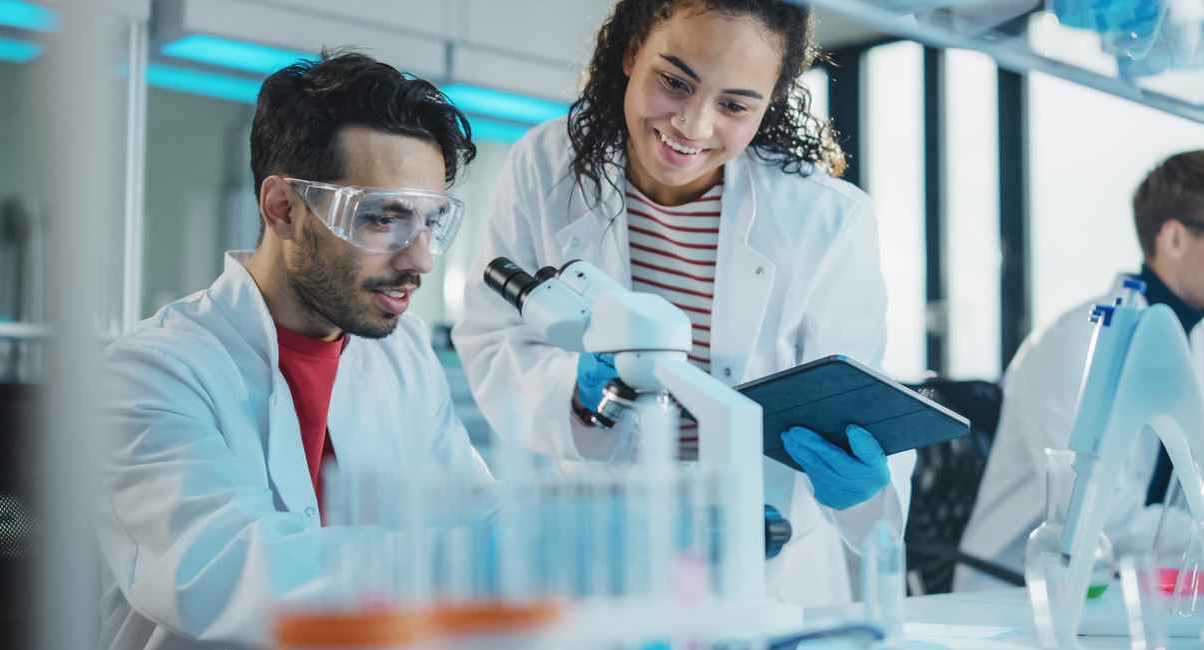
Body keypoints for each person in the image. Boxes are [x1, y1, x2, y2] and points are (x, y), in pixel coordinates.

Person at [453, 0, 914, 606]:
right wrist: (578, 395)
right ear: (630, 52)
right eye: (674, 83)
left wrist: (862, 492)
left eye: (734, 105)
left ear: (769, 102)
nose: (693, 126)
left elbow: (855, 399)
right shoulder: (545, 166)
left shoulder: (825, 217)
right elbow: (495, 341)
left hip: (769, 568)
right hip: (601, 556)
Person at [96, 52, 491, 650]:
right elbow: (226, 572)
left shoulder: (402, 354)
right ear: (282, 208)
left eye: (432, 222)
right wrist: (463, 566)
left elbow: (476, 517)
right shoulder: (152, 372)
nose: (420, 260)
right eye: (384, 218)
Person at [956, 150, 1204, 592]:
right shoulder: (1081, 341)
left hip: (1128, 590)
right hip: (1017, 598)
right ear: (1174, 239)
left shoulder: (1199, 348)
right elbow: (1101, 516)